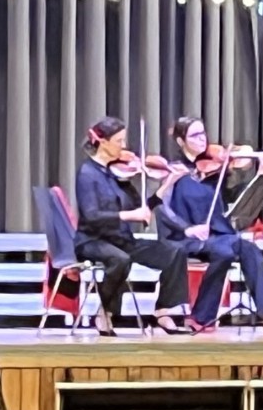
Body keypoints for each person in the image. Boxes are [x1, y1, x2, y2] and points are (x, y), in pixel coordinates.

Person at [163, 116, 263, 333]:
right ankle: (201, 316)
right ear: (181, 141)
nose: (202, 139)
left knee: (248, 248)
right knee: (224, 251)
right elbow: (163, 208)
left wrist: (262, 172)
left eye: (203, 133)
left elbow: (241, 198)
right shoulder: (174, 171)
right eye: (195, 135)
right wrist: (188, 229)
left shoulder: (214, 172)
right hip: (185, 238)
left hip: (218, 236)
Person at [72, 117, 190, 336]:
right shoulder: (88, 174)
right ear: (103, 142)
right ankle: (105, 311)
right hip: (92, 240)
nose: (124, 146)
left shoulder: (118, 175)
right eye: (119, 141)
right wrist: (129, 215)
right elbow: (91, 216)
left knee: (175, 251)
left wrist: (167, 183)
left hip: (121, 239)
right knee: (120, 259)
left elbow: (142, 209)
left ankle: (162, 311)